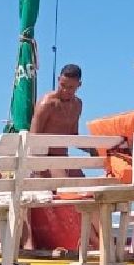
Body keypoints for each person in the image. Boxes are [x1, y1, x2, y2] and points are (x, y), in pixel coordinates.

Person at [29, 63, 88, 252]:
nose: (65, 90)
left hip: (64, 157)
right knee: (68, 187)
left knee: (88, 187)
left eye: (70, 87)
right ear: (58, 81)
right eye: (63, 85)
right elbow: (34, 136)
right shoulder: (48, 102)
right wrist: (39, 166)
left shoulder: (77, 104)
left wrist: (96, 151)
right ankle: (73, 240)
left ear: (79, 85)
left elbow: (73, 135)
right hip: (44, 158)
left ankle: (89, 239)